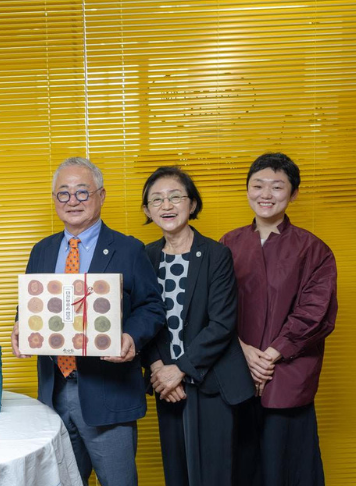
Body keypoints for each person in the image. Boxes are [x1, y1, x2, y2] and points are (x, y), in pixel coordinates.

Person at [11, 157, 164, 486]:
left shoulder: (128, 249)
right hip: (54, 392)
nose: (72, 201)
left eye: (82, 192)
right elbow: (31, 304)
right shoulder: (42, 250)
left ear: (101, 195)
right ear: (54, 200)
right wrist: (20, 325)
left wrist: (132, 338)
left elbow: (152, 306)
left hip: (107, 391)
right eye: (63, 194)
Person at [221, 153, 337, 486]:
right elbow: (214, 309)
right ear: (247, 190)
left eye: (277, 186)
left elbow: (316, 313)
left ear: (294, 193)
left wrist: (270, 357)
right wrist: (243, 351)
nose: (266, 194)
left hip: (287, 374)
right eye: (257, 185)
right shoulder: (227, 244)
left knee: (287, 467)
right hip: (236, 370)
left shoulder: (313, 249)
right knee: (238, 465)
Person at [140, 166, 254, 486]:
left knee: (214, 475)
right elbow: (141, 318)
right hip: (167, 386)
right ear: (148, 210)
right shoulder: (145, 256)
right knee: (176, 473)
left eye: (176, 196)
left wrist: (181, 369)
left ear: (192, 204)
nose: (167, 205)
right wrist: (160, 368)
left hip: (211, 382)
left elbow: (222, 324)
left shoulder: (217, 254)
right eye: (157, 199)